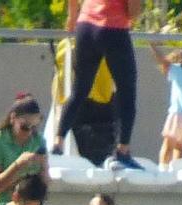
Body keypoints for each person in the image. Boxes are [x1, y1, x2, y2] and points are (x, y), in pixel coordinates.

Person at [52, 0, 142, 170]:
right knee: (127, 92)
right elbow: (133, 11)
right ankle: (123, 150)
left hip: (85, 26)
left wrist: (72, 17)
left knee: (79, 90)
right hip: (114, 28)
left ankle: (58, 143)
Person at [0, 94, 48, 205]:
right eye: (25, 127)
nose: (29, 132)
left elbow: (45, 181)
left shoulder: (38, 141)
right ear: (13, 119)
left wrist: (44, 165)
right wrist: (18, 165)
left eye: (34, 127)